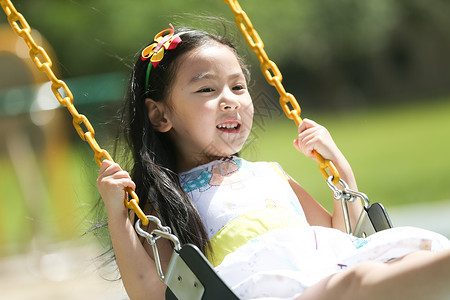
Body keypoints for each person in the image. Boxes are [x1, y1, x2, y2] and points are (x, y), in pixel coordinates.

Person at [96, 24, 450, 300]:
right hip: (267, 292)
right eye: (207, 90)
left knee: (396, 262)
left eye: (238, 87)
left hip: (326, 277)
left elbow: (345, 239)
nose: (230, 100)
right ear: (160, 115)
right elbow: (154, 292)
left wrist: (340, 168)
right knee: (357, 282)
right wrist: (117, 212)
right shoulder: (167, 199)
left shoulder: (269, 174)